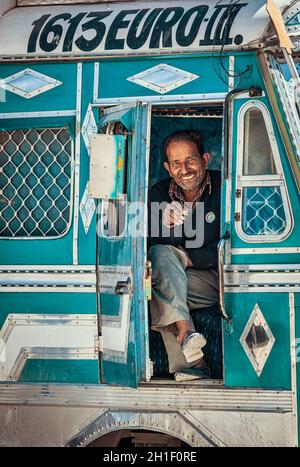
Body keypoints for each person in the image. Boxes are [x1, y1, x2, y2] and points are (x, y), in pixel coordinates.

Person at [148, 130, 220, 382]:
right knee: (159, 279)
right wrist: (164, 221)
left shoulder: (225, 187)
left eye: (190, 160)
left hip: (217, 280)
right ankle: (187, 338)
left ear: (205, 159)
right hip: (177, 278)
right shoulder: (159, 194)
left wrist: (191, 258)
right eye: (176, 163)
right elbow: (150, 247)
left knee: (163, 288)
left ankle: (193, 358)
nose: (184, 169)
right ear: (168, 168)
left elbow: (231, 245)